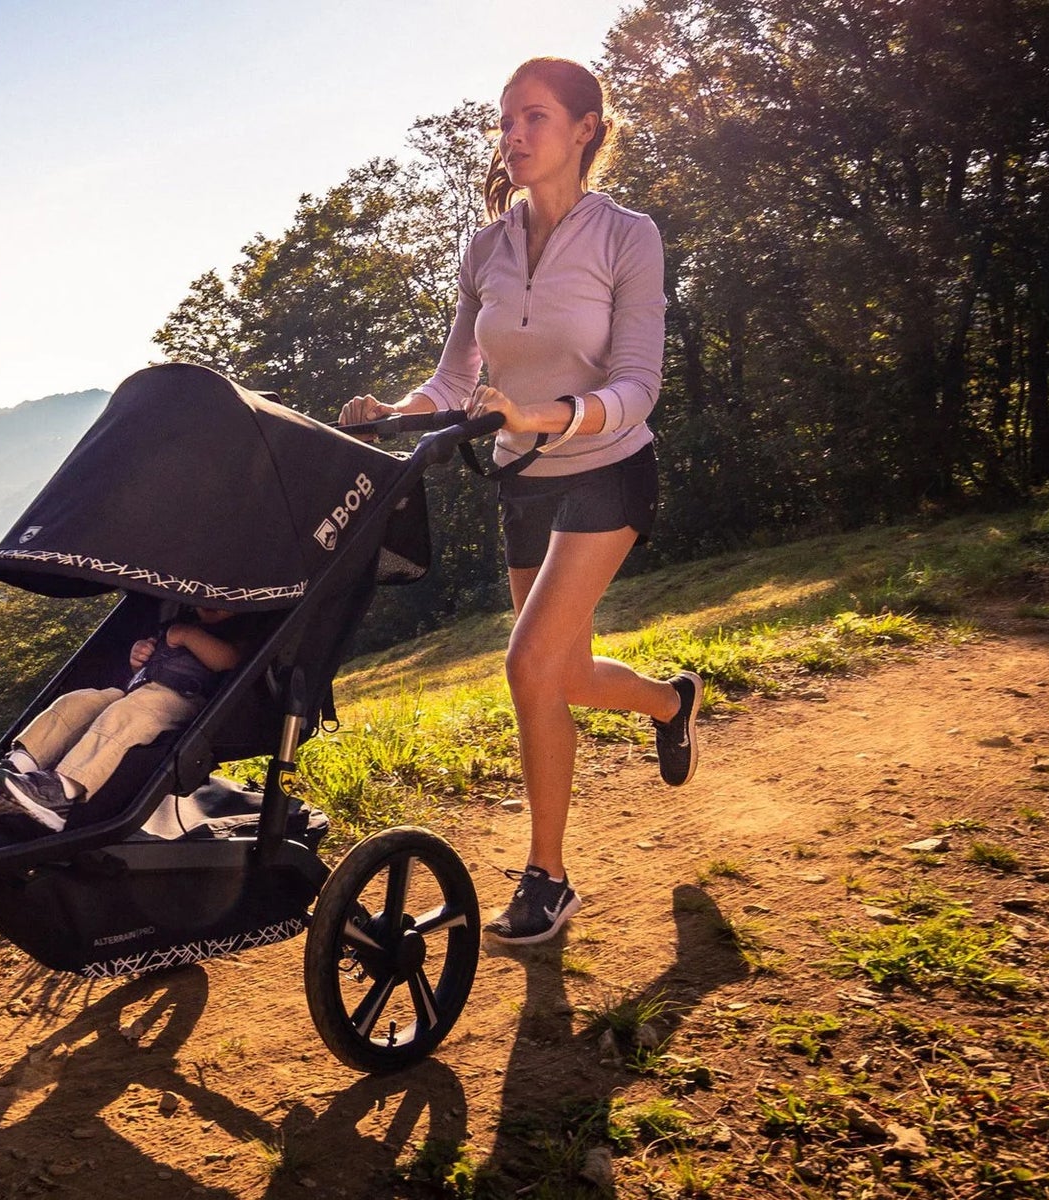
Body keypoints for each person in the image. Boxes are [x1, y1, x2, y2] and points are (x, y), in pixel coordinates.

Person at [339, 57, 701, 946]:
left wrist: (544, 413)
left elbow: (639, 385)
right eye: (507, 119)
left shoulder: (628, 236)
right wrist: (396, 411)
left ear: (585, 129)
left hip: (609, 468)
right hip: (522, 481)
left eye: (536, 117)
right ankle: (669, 704)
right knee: (560, 674)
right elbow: (456, 376)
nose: (515, 134)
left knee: (527, 662)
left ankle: (548, 877)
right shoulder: (487, 247)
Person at [0, 606, 248, 832]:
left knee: (125, 715)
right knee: (79, 702)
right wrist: (141, 654)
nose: (210, 605)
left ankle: (60, 794)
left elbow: (228, 660)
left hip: (180, 701)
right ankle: (15, 768)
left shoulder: (238, 629)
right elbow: (146, 660)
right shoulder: (181, 619)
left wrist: (187, 635)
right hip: (137, 691)